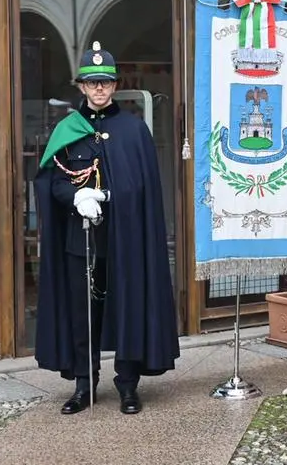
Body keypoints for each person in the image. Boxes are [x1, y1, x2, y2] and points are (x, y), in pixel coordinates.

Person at [34, 41, 179, 416]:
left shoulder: (134, 130)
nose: (99, 88)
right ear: (81, 87)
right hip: (80, 241)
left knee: (127, 307)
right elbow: (52, 182)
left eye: (105, 82)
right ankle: (84, 385)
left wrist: (112, 193)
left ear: (114, 86)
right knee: (83, 313)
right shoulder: (67, 129)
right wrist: (76, 196)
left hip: (126, 239)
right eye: (91, 82)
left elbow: (146, 186)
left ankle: (128, 386)